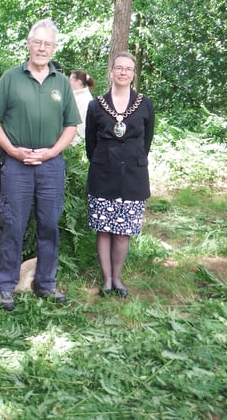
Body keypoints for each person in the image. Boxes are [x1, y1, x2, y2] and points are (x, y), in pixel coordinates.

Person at [0, 19, 81, 311]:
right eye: (37, 42)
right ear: (28, 44)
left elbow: (71, 127)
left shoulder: (61, 82)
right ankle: (6, 286)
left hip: (51, 166)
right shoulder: (11, 78)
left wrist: (51, 153)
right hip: (16, 165)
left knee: (50, 225)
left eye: (47, 44)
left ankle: (45, 284)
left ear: (54, 48)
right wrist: (12, 150)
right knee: (13, 224)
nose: (41, 48)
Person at [85, 52, 155, 298]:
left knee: (123, 231)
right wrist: (107, 160)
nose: (123, 72)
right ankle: (106, 280)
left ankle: (117, 278)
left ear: (133, 74)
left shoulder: (145, 104)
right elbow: (90, 144)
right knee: (103, 229)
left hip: (133, 177)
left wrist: (131, 160)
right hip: (103, 174)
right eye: (119, 68)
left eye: (128, 69)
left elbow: (146, 141)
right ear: (111, 71)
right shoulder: (96, 105)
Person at [69, 70, 95, 145]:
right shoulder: (77, 96)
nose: (69, 82)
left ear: (78, 82)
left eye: (70, 79)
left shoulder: (83, 98)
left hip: (77, 140)